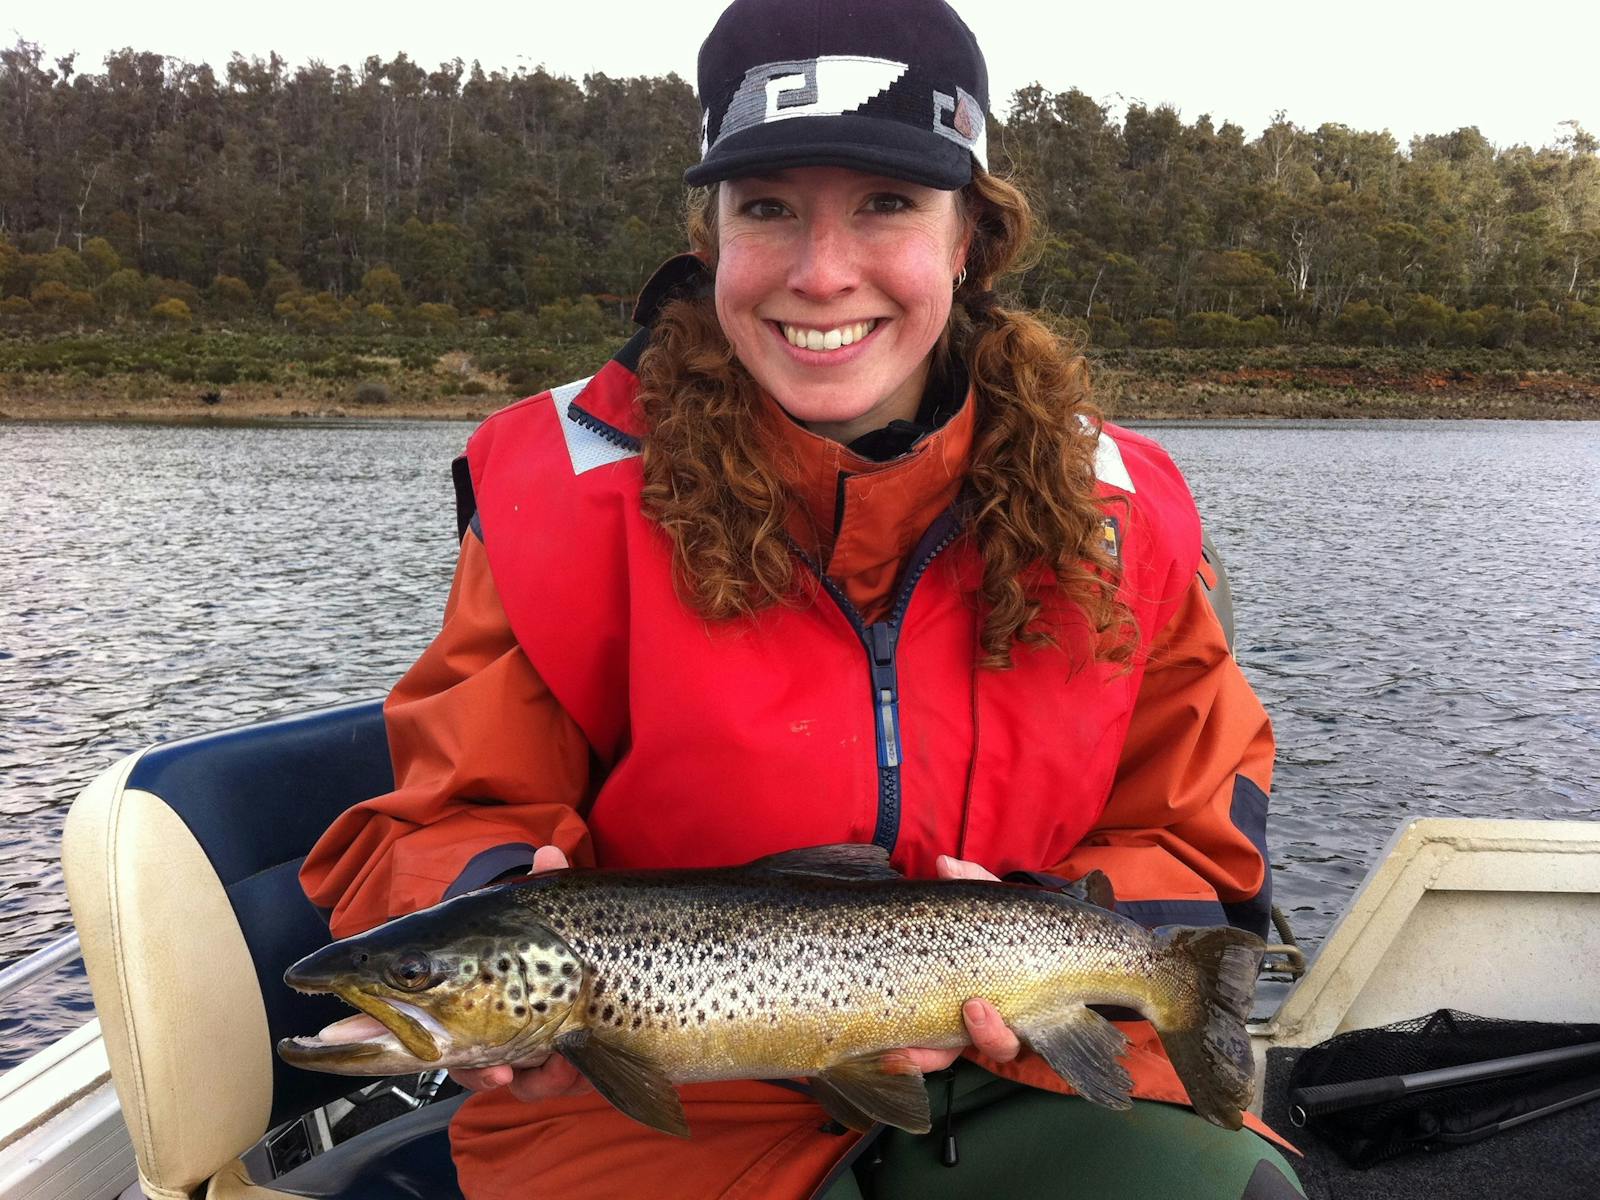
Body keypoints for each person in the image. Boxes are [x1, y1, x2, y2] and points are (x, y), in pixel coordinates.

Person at [301, 0, 1304, 1195]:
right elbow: (444, 812)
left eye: (886, 205)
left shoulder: (1121, 512)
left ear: (970, 238)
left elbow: (1198, 831)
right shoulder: (557, 500)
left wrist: (1053, 930)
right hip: (645, 1118)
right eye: (768, 208)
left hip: (1013, 1066)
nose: (822, 276)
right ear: (711, 232)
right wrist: (494, 899)